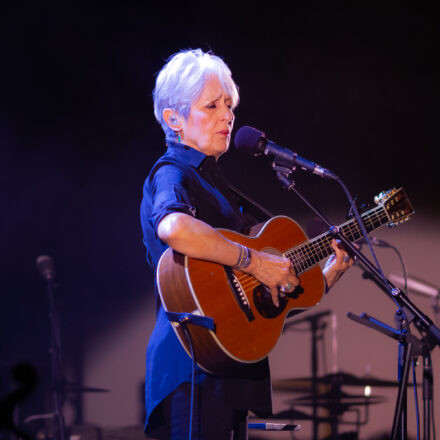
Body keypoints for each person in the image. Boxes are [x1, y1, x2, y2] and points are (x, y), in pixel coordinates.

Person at [140, 48, 354, 440]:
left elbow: (260, 295)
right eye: (212, 106)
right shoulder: (172, 172)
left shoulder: (218, 184)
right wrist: (253, 260)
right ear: (174, 119)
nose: (228, 116)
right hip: (191, 372)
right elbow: (173, 227)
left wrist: (327, 272)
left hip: (229, 368)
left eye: (229, 104)